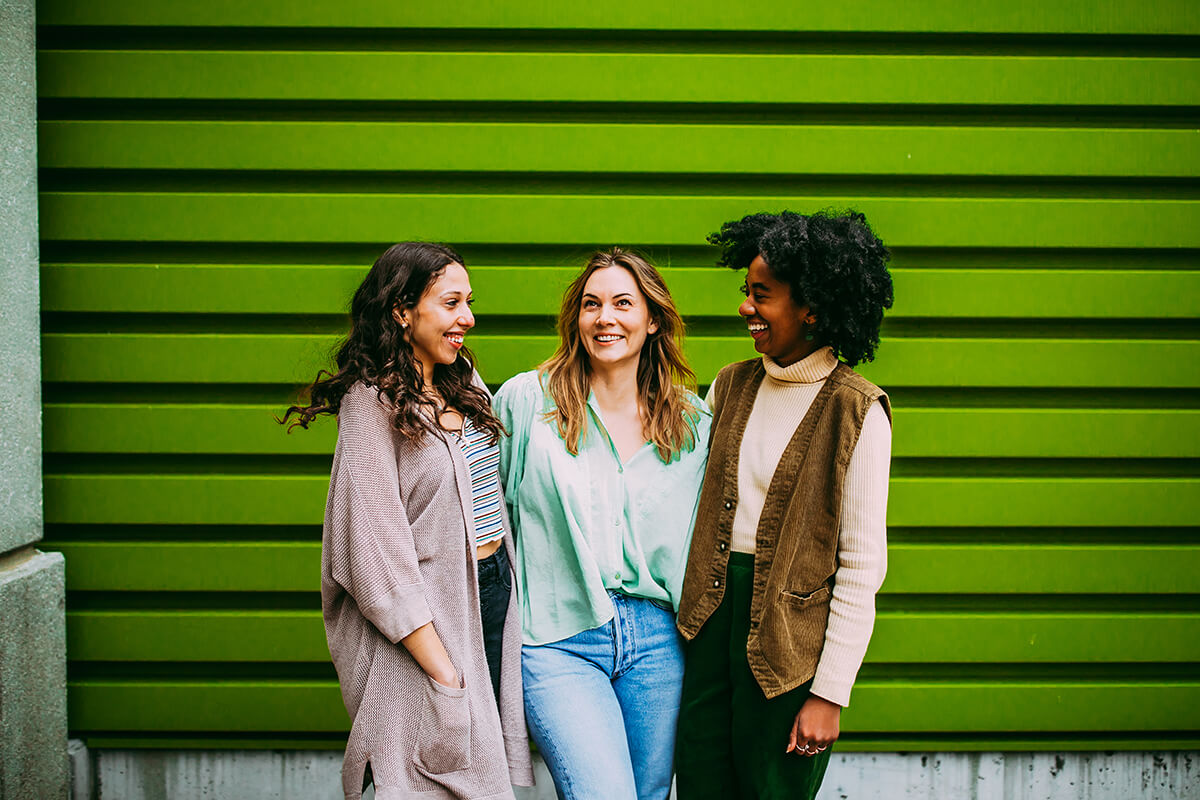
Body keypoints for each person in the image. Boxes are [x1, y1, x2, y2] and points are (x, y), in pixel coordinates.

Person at [281, 242, 533, 800]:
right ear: (403, 311)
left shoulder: (460, 383)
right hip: (424, 624)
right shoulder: (371, 404)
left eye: (469, 302)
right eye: (450, 303)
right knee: (424, 778)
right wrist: (442, 670)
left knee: (475, 768)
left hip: (487, 597)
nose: (467, 318)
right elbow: (369, 551)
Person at [675, 211, 894, 800]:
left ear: (812, 309)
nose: (746, 307)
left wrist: (828, 695)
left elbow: (862, 566)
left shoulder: (858, 411)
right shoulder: (730, 385)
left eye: (763, 295)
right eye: (745, 292)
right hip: (709, 628)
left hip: (787, 653)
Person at [492, 248, 711, 800]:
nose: (604, 317)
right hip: (559, 636)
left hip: (659, 641)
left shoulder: (693, 423)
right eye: (591, 304)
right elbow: (481, 517)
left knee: (649, 794)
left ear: (653, 318)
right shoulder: (527, 402)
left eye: (622, 303)